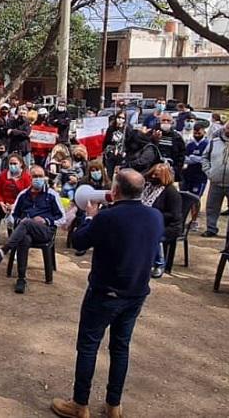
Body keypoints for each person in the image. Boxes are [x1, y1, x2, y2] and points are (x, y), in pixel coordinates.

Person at [51, 169, 163, 418]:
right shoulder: (155, 216)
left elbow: (79, 242)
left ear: (115, 191)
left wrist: (91, 218)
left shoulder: (107, 218)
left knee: (89, 347)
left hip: (105, 294)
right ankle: (114, 405)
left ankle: (80, 404)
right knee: (120, 348)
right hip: (135, 294)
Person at [0, 164, 67, 294]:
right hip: (26, 231)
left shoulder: (52, 195)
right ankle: (21, 278)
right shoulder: (23, 195)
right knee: (24, 238)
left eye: (40, 176)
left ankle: (4, 250)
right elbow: (12, 216)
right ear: (30, 178)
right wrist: (19, 221)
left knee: (27, 222)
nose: (38, 179)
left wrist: (46, 220)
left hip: (45, 231)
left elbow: (63, 218)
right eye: (35, 176)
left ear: (45, 177)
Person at [141, 163, 182, 279]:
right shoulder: (148, 188)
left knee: (151, 235)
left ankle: (158, 264)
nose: (153, 177)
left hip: (168, 225)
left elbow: (174, 215)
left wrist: (153, 215)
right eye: (152, 174)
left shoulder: (171, 192)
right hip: (148, 223)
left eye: (156, 175)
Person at [151, 112, 185, 177]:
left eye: (168, 120)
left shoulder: (177, 137)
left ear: (172, 122)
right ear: (159, 121)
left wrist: (175, 170)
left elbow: (181, 156)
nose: (166, 122)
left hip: (171, 172)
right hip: (153, 171)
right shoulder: (152, 133)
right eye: (163, 120)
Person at [102, 111, 128, 177]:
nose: (120, 120)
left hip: (121, 155)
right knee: (109, 173)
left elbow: (128, 142)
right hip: (110, 154)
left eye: (123, 118)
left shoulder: (127, 129)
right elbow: (106, 142)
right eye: (119, 117)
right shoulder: (111, 128)